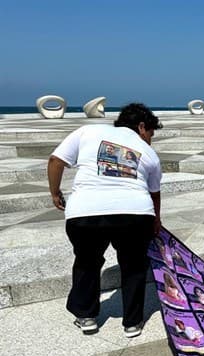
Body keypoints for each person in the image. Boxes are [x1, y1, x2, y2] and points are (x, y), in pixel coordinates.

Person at [47, 103, 162, 338]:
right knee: (134, 267)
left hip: (85, 212)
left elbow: (56, 161)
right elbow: (154, 193)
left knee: (87, 262)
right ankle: (132, 322)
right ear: (141, 126)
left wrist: (55, 192)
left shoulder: (88, 131)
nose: (150, 139)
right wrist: (156, 221)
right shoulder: (148, 152)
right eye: (150, 133)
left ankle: (86, 316)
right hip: (135, 214)